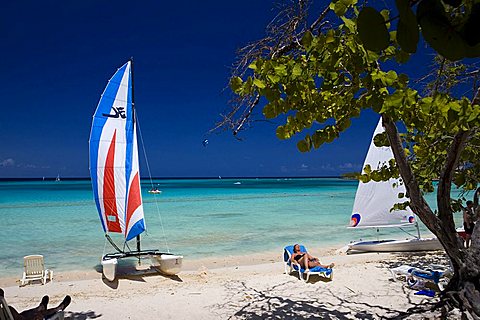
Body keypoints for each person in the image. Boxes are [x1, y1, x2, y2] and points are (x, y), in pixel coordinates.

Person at [0, 288, 71, 320]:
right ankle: (59, 308)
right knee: (39, 314)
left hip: (18, 317)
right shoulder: (8, 309)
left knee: (26, 313)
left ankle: (40, 307)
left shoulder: (3, 311)